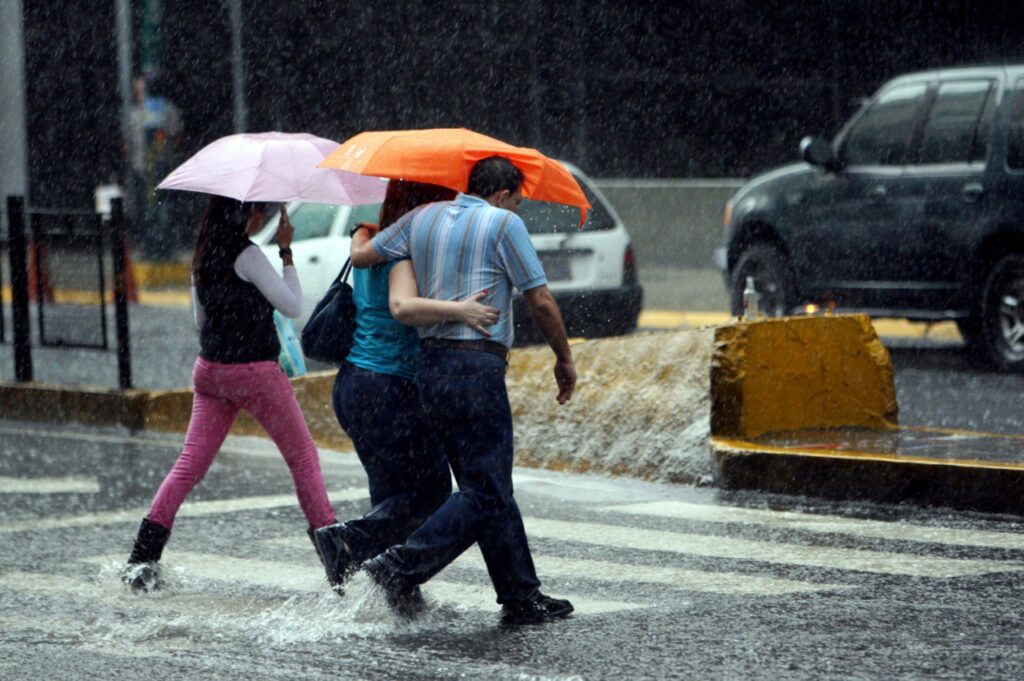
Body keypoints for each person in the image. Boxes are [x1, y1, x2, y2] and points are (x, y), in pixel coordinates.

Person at [349, 156, 578, 624]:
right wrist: (564, 357)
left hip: (431, 368)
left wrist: (362, 230)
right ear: (502, 194)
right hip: (476, 369)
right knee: (486, 490)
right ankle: (399, 565)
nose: (517, 208)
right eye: (517, 200)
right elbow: (540, 298)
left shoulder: (420, 218)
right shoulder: (503, 224)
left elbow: (365, 257)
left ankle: (520, 594)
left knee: (487, 485)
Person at [121, 198, 338, 592]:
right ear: (246, 213)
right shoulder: (249, 255)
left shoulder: (202, 255)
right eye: (260, 210)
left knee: (189, 465)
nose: (263, 217)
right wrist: (286, 252)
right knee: (303, 457)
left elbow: (199, 320)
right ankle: (336, 559)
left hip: (211, 371)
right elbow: (290, 305)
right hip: (254, 371)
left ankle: (142, 557)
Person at [312, 180, 501, 593]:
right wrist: (462, 310)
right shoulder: (402, 250)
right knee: (433, 492)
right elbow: (402, 307)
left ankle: (393, 587)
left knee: (392, 493)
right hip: (389, 389)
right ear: (424, 204)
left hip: (355, 386)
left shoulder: (371, 237)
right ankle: (350, 539)